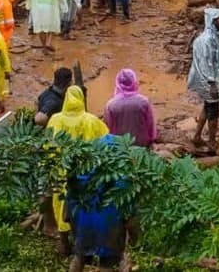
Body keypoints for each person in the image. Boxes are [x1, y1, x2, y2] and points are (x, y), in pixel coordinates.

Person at [47, 85, 109, 241]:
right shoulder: (92, 121)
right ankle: (82, 241)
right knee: (83, 205)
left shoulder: (55, 120)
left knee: (60, 204)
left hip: (60, 171)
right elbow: (107, 142)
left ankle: (63, 240)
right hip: (86, 171)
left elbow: (47, 145)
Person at [67, 136, 138, 272]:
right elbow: (130, 219)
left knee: (79, 257)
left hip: (83, 229)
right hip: (109, 231)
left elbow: (68, 211)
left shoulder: (79, 177)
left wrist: (73, 231)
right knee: (106, 264)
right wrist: (134, 239)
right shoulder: (124, 182)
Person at [187, 7, 219, 151]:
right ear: (213, 21)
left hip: (210, 79)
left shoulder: (214, 37)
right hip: (208, 81)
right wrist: (212, 84)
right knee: (213, 112)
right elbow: (206, 63)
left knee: (207, 107)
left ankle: (197, 136)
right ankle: (211, 142)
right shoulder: (207, 40)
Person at [103, 68, 157, 148]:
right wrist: (152, 139)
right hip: (141, 144)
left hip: (120, 146)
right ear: (134, 82)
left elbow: (107, 128)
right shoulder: (144, 102)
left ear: (117, 83)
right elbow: (150, 124)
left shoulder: (110, 105)